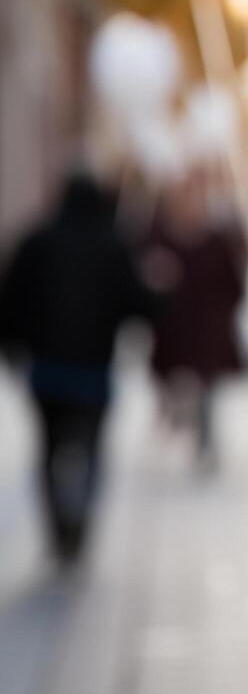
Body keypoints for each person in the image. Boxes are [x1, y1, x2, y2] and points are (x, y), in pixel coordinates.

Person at [0, 173, 155, 564]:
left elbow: (9, 299)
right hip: (92, 375)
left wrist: (14, 349)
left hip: (47, 373)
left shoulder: (37, 241)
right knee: (91, 448)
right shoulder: (111, 244)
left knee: (49, 448)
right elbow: (137, 301)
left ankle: (58, 529)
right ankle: (80, 524)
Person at [143, 167, 245, 469]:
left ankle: (205, 441)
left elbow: (234, 285)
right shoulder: (159, 236)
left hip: (207, 329)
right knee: (176, 380)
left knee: (207, 388)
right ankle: (176, 418)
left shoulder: (217, 240)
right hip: (173, 329)